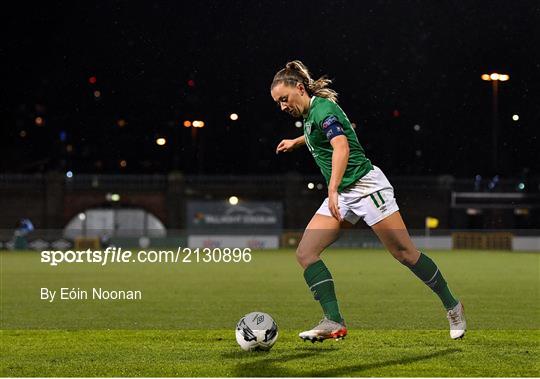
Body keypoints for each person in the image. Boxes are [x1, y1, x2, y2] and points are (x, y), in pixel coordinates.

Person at [271, 60, 466, 342]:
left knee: (405, 254)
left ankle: (453, 307)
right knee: (305, 253)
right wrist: (296, 141)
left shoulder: (323, 109)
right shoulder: (313, 115)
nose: (282, 106)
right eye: (277, 102)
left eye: (284, 99)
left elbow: (342, 146)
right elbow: (322, 133)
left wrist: (333, 188)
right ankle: (333, 321)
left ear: (299, 88)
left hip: (366, 188)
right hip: (344, 194)